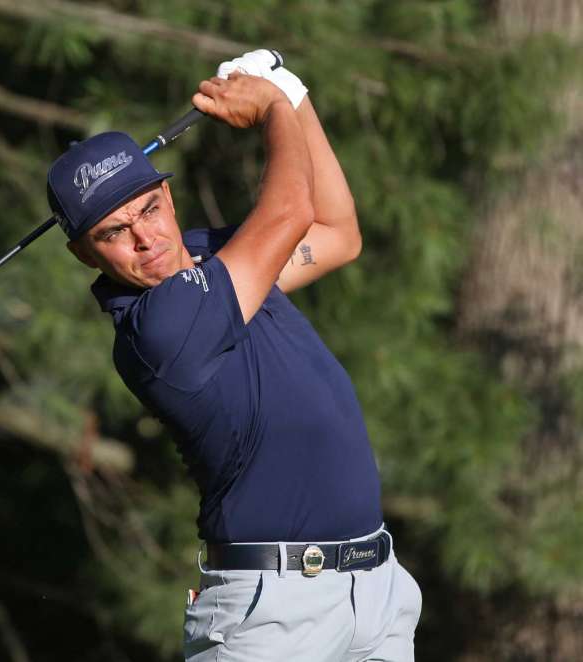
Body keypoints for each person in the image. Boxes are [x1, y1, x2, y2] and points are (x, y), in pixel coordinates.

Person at [47, 50, 422, 662]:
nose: (146, 238)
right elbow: (291, 211)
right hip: (273, 616)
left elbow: (336, 232)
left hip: (374, 596)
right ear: (86, 256)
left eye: (148, 209)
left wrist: (294, 95)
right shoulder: (157, 329)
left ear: (167, 195)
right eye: (114, 233)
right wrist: (272, 108)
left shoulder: (214, 259)